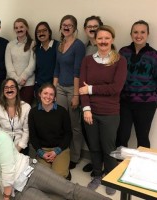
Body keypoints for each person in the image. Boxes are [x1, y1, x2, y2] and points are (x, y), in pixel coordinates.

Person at [0, 113, 111, 200]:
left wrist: (6, 197)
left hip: (31, 171)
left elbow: (7, 169)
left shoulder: (0, 137)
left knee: (70, 190)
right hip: (18, 190)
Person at [79, 25, 127, 195]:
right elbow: (81, 89)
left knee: (108, 147)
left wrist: (91, 89)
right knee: (94, 146)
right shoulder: (87, 61)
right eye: (100, 38)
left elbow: (115, 88)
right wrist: (86, 109)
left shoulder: (120, 61)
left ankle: (110, 178)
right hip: (90, 111)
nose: (103, 41)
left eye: (107, 38)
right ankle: (98, 176)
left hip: (110, 113)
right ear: (95, 40)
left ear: (112, 39)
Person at [116, 20, 157, 149]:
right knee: (121, 136)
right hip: (124, 102)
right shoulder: (123, 52)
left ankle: (142, 168)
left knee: (143, 138)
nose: (138, 35)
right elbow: (116, 75)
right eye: (135, 32)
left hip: (146, 104)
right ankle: (118, 166)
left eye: (142, 32)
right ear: (131, 34)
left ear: (148, 34)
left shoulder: (154, 55)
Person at [53, 15, 85, 170]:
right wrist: (53, 90)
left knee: (74, 125)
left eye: (69, 25)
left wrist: (76, 95)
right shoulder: (60, 44)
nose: (66, 27)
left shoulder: (78, 46)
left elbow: (77, 71)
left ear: (74, 27)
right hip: (59, 88)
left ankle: (75, 156)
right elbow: (57, 68)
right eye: (64, 24)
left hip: (73, 88)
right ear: (61, 27)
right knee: (60, 122)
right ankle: (62, 153)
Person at [28, 83, 72, 179]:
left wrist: (56, 151)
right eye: (45, 93)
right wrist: (41, 153)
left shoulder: (62, 111)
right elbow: (33, 136)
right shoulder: (33, 112)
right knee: (44, 177)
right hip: (43, 149)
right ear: (40, 94)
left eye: (51, 94)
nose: (48, 96)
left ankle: (65, 171)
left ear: (55, 97)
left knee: (58, 177)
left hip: (60, 148)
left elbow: (68, 134)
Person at [82, 16, 104, 174]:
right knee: (88, 131)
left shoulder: (105, 46)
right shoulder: (82, 47)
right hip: (85, 96)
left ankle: (103, 163)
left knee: (103, 135)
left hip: (101, 98)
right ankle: (95, 161)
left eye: (96, 26)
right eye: (89, 26)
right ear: (85, 29)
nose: (92, 28)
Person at [0, 78, 30, 155]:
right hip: (2, 146)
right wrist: (5, 149)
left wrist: (17, 149)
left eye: (12, 87)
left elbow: (26, 131)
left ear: (17, 90)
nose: (9, 90)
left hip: (21, 146)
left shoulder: (26, 107)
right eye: (6, 87)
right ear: (3, 91)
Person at [5, 18, 35, 105]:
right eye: (16, 28)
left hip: (28, 83)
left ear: (27, 28)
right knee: (12, 109)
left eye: (21, 27)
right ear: (14, 29)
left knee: (25, 110)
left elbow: (32, 64)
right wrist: (17, 80)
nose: (19, 29)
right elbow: (8, 65)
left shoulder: (32, 43)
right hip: (12, 84)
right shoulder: (10, 45)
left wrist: (23, 77)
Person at [33, 22, 58, 97]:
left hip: (54, 86)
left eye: (44, 30)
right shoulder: (36, 49)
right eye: (39, 32)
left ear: (49, 32)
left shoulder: (58, 46)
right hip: (40, 87)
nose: (41, 33)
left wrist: (55, 87)